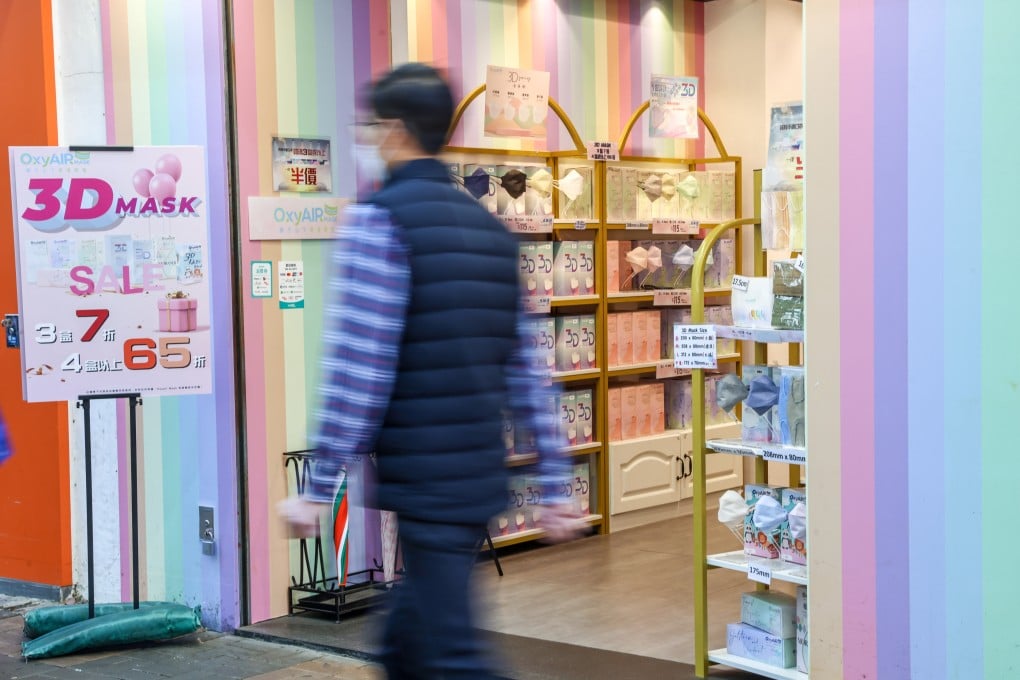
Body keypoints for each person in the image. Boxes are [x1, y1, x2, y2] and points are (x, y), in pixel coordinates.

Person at [279, 63, 584, 679]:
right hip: (475, 471)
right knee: (405, 645)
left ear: (395, 130)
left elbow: (358, 367)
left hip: (426, 475)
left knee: (452, 658)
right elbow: (527, 370)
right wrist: (555, 481)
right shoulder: (491, 233)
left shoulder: (378, 221)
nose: (366, 139)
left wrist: (318, 486)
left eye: (370, 127)